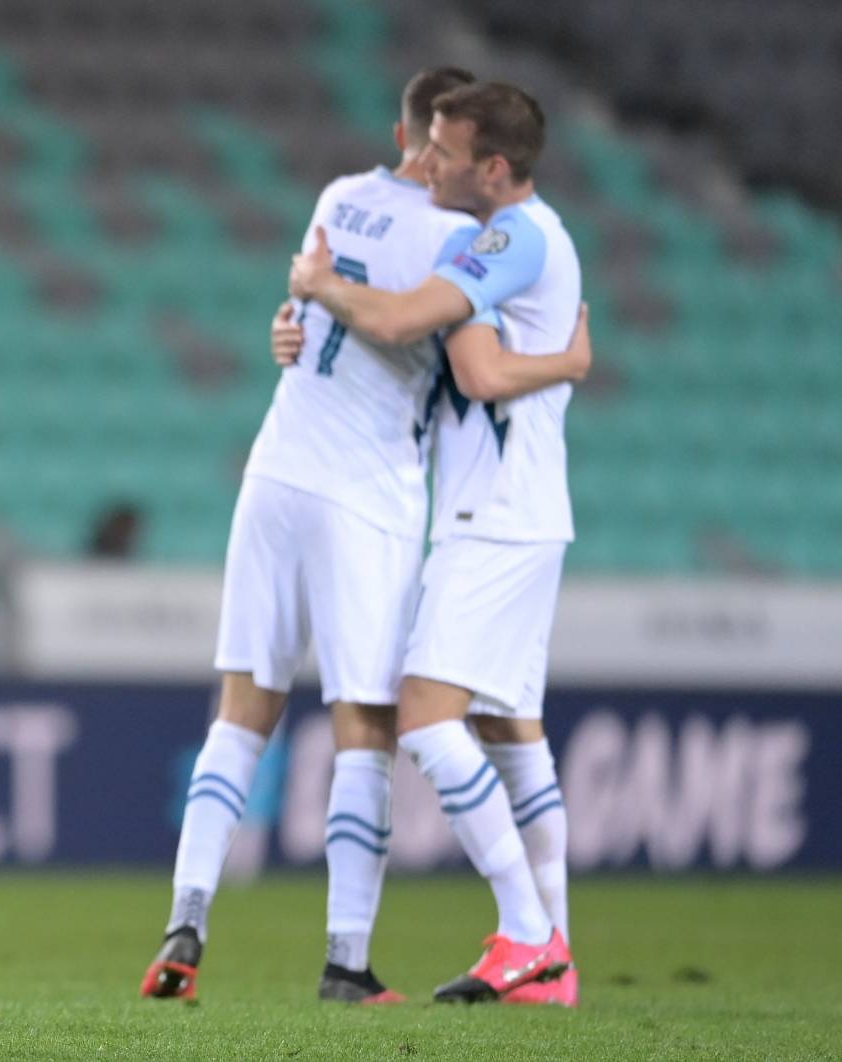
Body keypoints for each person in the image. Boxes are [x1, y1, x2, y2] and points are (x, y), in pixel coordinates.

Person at [140, 69, 591, 1005]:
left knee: (240, 712)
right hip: (368, 492)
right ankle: (352, 962)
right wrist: (573, 358)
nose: (432, 157)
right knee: (371, 726)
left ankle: (188, 917)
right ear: (417, 133)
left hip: (273, 467)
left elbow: (308, 303)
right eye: (432, 140)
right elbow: (458, 360)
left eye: (445, 145)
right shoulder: (463, 235)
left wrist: (303, 301)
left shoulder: (341, 197)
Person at [289, 80, 585, 1005]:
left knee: (424, 715)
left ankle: (529, 936)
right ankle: (554, 962)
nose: (430, 164)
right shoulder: (536, 234)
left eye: (447, 154)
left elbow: (456, 355)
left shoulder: (507, 238)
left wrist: (318, 286)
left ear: (492, 169)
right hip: (522, 506)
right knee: (510, 728)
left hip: (491, 515)